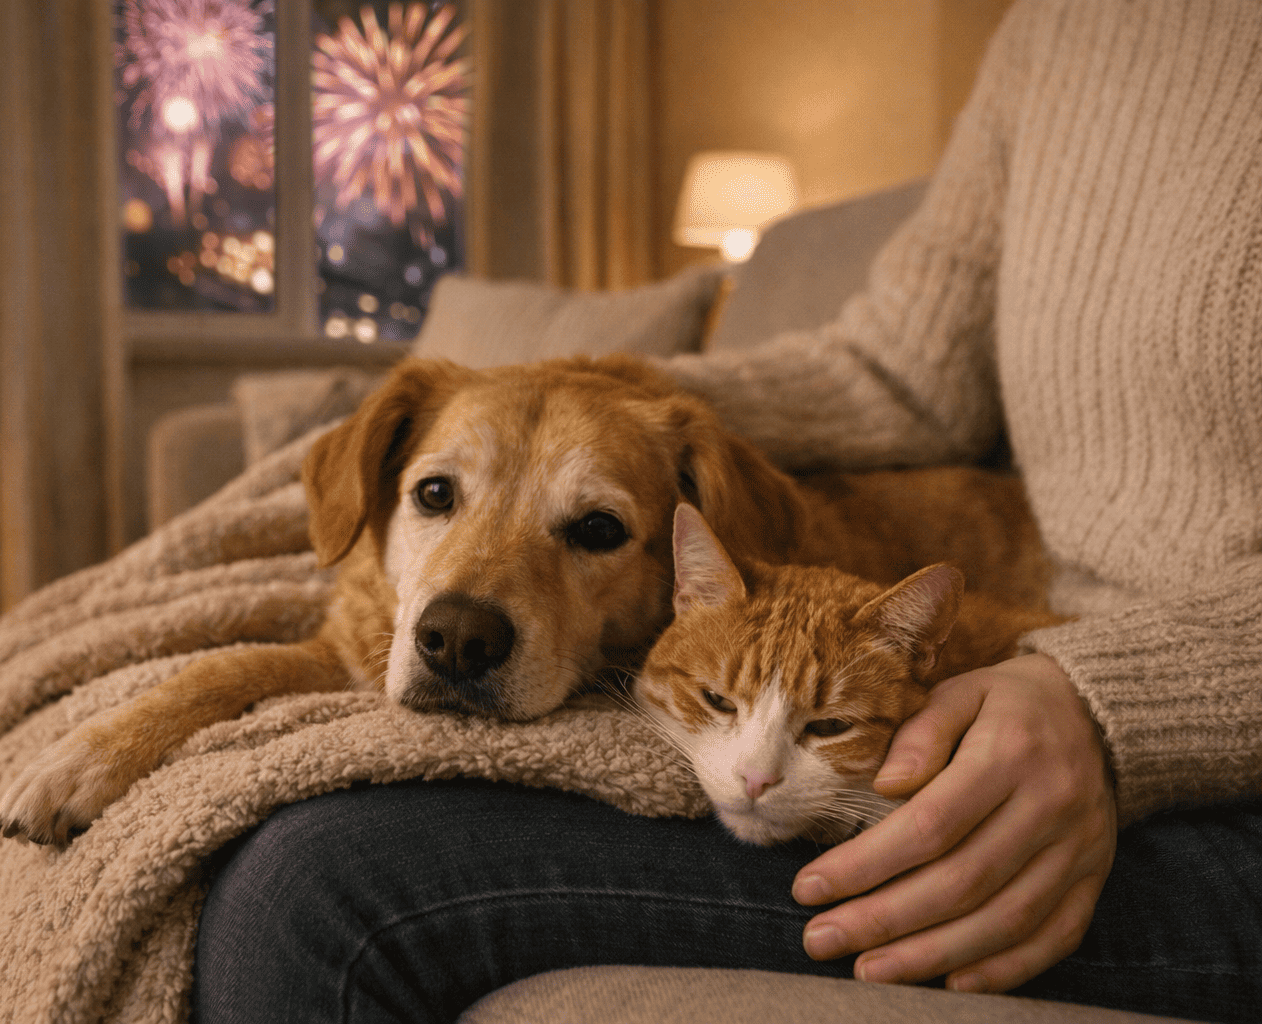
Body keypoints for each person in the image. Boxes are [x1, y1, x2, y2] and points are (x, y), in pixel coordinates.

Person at [191, 1, 1262, 1020]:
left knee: (311, 894)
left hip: (1202, 756)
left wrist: (1113, 702)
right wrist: (604, 411)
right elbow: (898, 375)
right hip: (1040, 668)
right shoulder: (1058, 25)